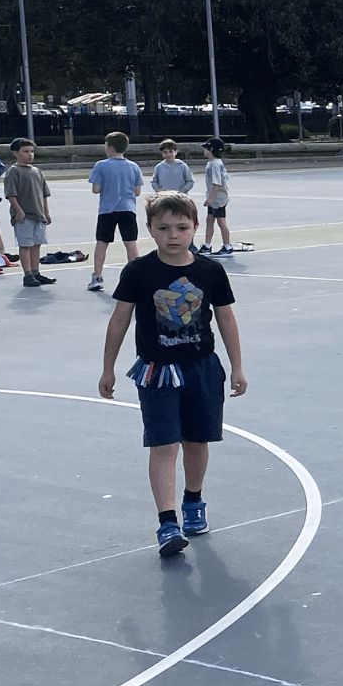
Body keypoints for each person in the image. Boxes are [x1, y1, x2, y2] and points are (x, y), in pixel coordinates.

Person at [99, 193, 247, 558]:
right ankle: (167, 522)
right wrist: (108, 368)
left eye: (181, 227)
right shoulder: (139, 271)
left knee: (197, 440)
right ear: (150, 229)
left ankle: (193, 501)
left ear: (195, 227)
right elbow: (120, 319)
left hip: (201, 367)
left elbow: (226, 318)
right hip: (157, 371)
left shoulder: (210, 271)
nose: (173, 235)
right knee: (164, 443)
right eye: (163, 228)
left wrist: (237, 366)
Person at [87, 132, 144, 293]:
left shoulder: (101, 165)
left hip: (107, 210)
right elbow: (137, 191)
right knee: (131, 243)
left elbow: (95, 189)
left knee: (102, 243)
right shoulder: (133, 166)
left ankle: (97, 276)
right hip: (127, 209)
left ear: (110, 147)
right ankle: (135, 278)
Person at [2, 139, 54, 288]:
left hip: (38, 214)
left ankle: (36, 272)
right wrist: (19, 211)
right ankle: (28, 275)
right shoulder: (13, 171)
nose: (30, 155)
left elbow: (44, 193)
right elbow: (11, 194)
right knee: (25, 245)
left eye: (31, 151)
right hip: (24, 215)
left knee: (36, 244)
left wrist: (46, 212)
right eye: (25, 151)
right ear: (15, 153)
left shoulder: (36, 171)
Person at [200, 139, 233, 255]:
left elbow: (216, 184)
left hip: (218, 198)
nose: (204, 150)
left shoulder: (215, 164)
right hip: (213, 197)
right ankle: (207, 245)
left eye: (206, 148)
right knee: (209, 220)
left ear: (212, 150)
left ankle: (227, 246)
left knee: (221, 221)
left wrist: (210, 199)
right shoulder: (211, 163)